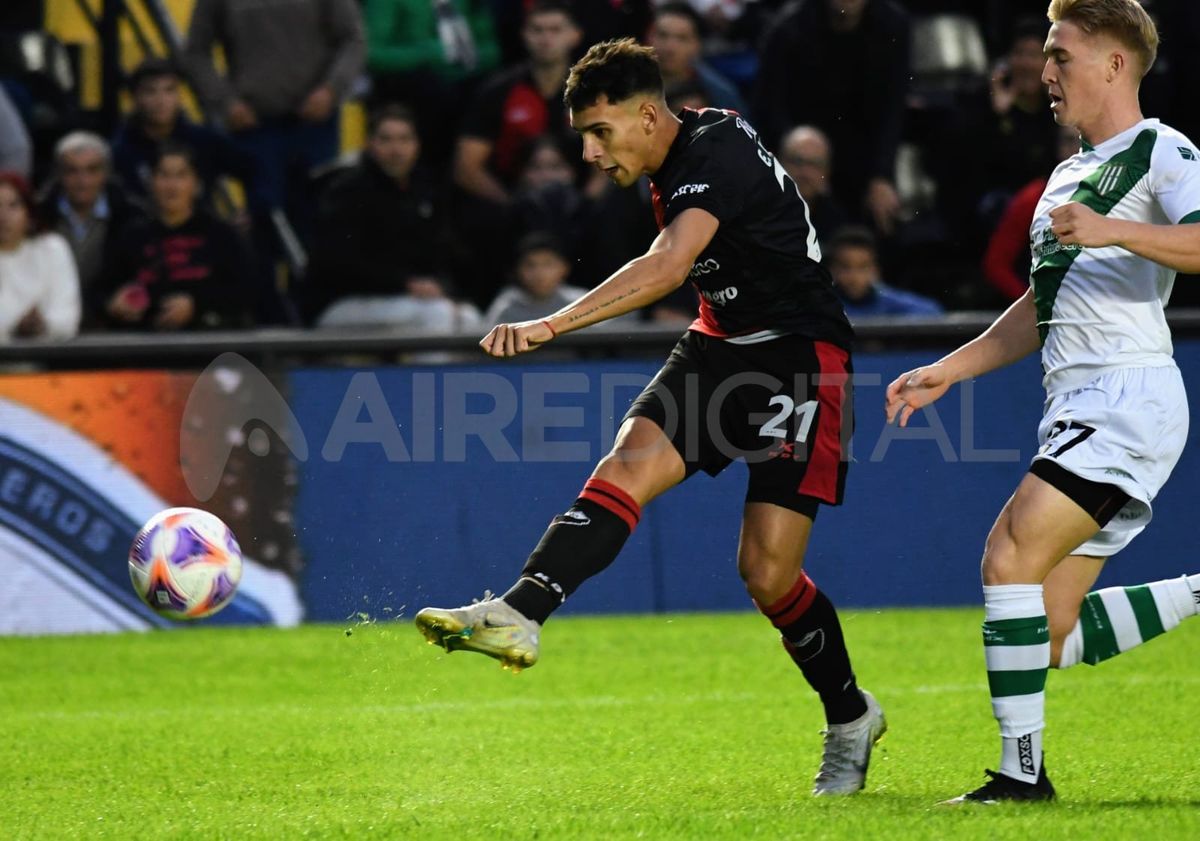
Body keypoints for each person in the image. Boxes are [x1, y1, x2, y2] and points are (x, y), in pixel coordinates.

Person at [416, 38, 886, 796]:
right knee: (622, 470)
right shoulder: (674, 157)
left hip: (800, 357)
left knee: (767, 571)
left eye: (600, 133)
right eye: (583, 138)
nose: (593, 153)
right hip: (719, 346)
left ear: (645, 114)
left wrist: (549, 324)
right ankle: (519, 611)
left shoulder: (713, 151)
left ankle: (849, 714)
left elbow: (666, 265)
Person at [886, 0, 1200, 804]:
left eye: (1062, 55)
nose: (1045, 72)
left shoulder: (1162, 149)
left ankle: (1020, 776)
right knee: (1048, 633)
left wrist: (1115, 230)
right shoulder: (1069, 175)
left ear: (1115, 65)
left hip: (1126, 393)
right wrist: (951, 368)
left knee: (1007, 555)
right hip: (1079, 402)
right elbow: (1041, 301)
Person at [304, 106, 476, 332]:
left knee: (469, 318)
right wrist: (406, 284)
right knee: (437, 314)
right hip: (342, 303)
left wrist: (442, 289)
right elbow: (337, 263)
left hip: (405, 300)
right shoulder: (347, 191)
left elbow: (440, 254)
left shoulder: (425, 191)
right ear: (369, 143)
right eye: (386, 140)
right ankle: (423, 370)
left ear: (417, 145)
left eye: (405, 140)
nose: (396, 149)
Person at [754, 0, 909, 235]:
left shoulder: (893, 24)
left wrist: (881, 175)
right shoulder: (788, 26)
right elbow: (769, 104)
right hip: (800, 144)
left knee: (881, 213)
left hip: (860, 148)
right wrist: (799, 155)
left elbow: (892, 107)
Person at [101, 144, 255, 331]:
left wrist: (196, 304)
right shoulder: (130, 235)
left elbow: (246, 292)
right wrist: (113, 302)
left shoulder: (222, 235)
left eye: (181, 175)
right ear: (151, 182)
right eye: (163, 175)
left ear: (197, 184)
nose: (171, 185)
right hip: (145, 346)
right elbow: (101, 291)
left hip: (209, 344)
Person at [110, 58, 256, 207]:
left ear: (180, 96)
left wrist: (254, 211)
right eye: (150, 91)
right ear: (135, 98)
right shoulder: (120, 150)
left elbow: (254, 168)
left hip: (200, 228)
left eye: (169, 90)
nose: (161, 101)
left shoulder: (204, 141)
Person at [38, 132, 143, 308]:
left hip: (112, 323)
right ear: (58, 174)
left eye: (92, 170)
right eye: (72, 171)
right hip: (47, 321)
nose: (83, 181)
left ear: (106, 173)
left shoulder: (132, 216)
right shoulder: (36, 217)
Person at [982, 123, 1082, 302]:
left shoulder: (1118, 195)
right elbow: (996, 264)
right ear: (1057, 147)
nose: (1078, 149)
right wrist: (1035, 304)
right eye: (1069, 141)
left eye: (1086, 141)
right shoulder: (1033, 198)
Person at [0, 171, 81, 341]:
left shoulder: (52, 249)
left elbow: (67, 319)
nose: (3, 216)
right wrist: (14, 327)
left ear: (28, 212)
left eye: (13, 205)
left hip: (43, 362)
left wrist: (42, 325)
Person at [648, 3, 748, 116]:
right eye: (663, 35)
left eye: (682, 38)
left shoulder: (719, 96)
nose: (670, 47)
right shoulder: (630, 82)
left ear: (697, 45)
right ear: (649, 37)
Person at [828, 227, 942, 318]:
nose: (854, 277)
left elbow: (932, 311)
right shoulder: (821, 307)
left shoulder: (897, 304)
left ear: (875, 270)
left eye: (863, 267)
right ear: (832, 270)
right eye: (845, 267)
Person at [484, 232, 588, 326]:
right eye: (530, 265)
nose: (539, 273)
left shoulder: (580, 301)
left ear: (565, 268)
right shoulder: (506, 306)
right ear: (517, 270)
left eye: (548, 264)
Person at [779, 125, 849, 254]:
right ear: (780, 163)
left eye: (815, 164)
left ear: (827, 172)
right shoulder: (758, 212)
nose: (805, 173)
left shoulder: (838, 226)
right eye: (798, 161)